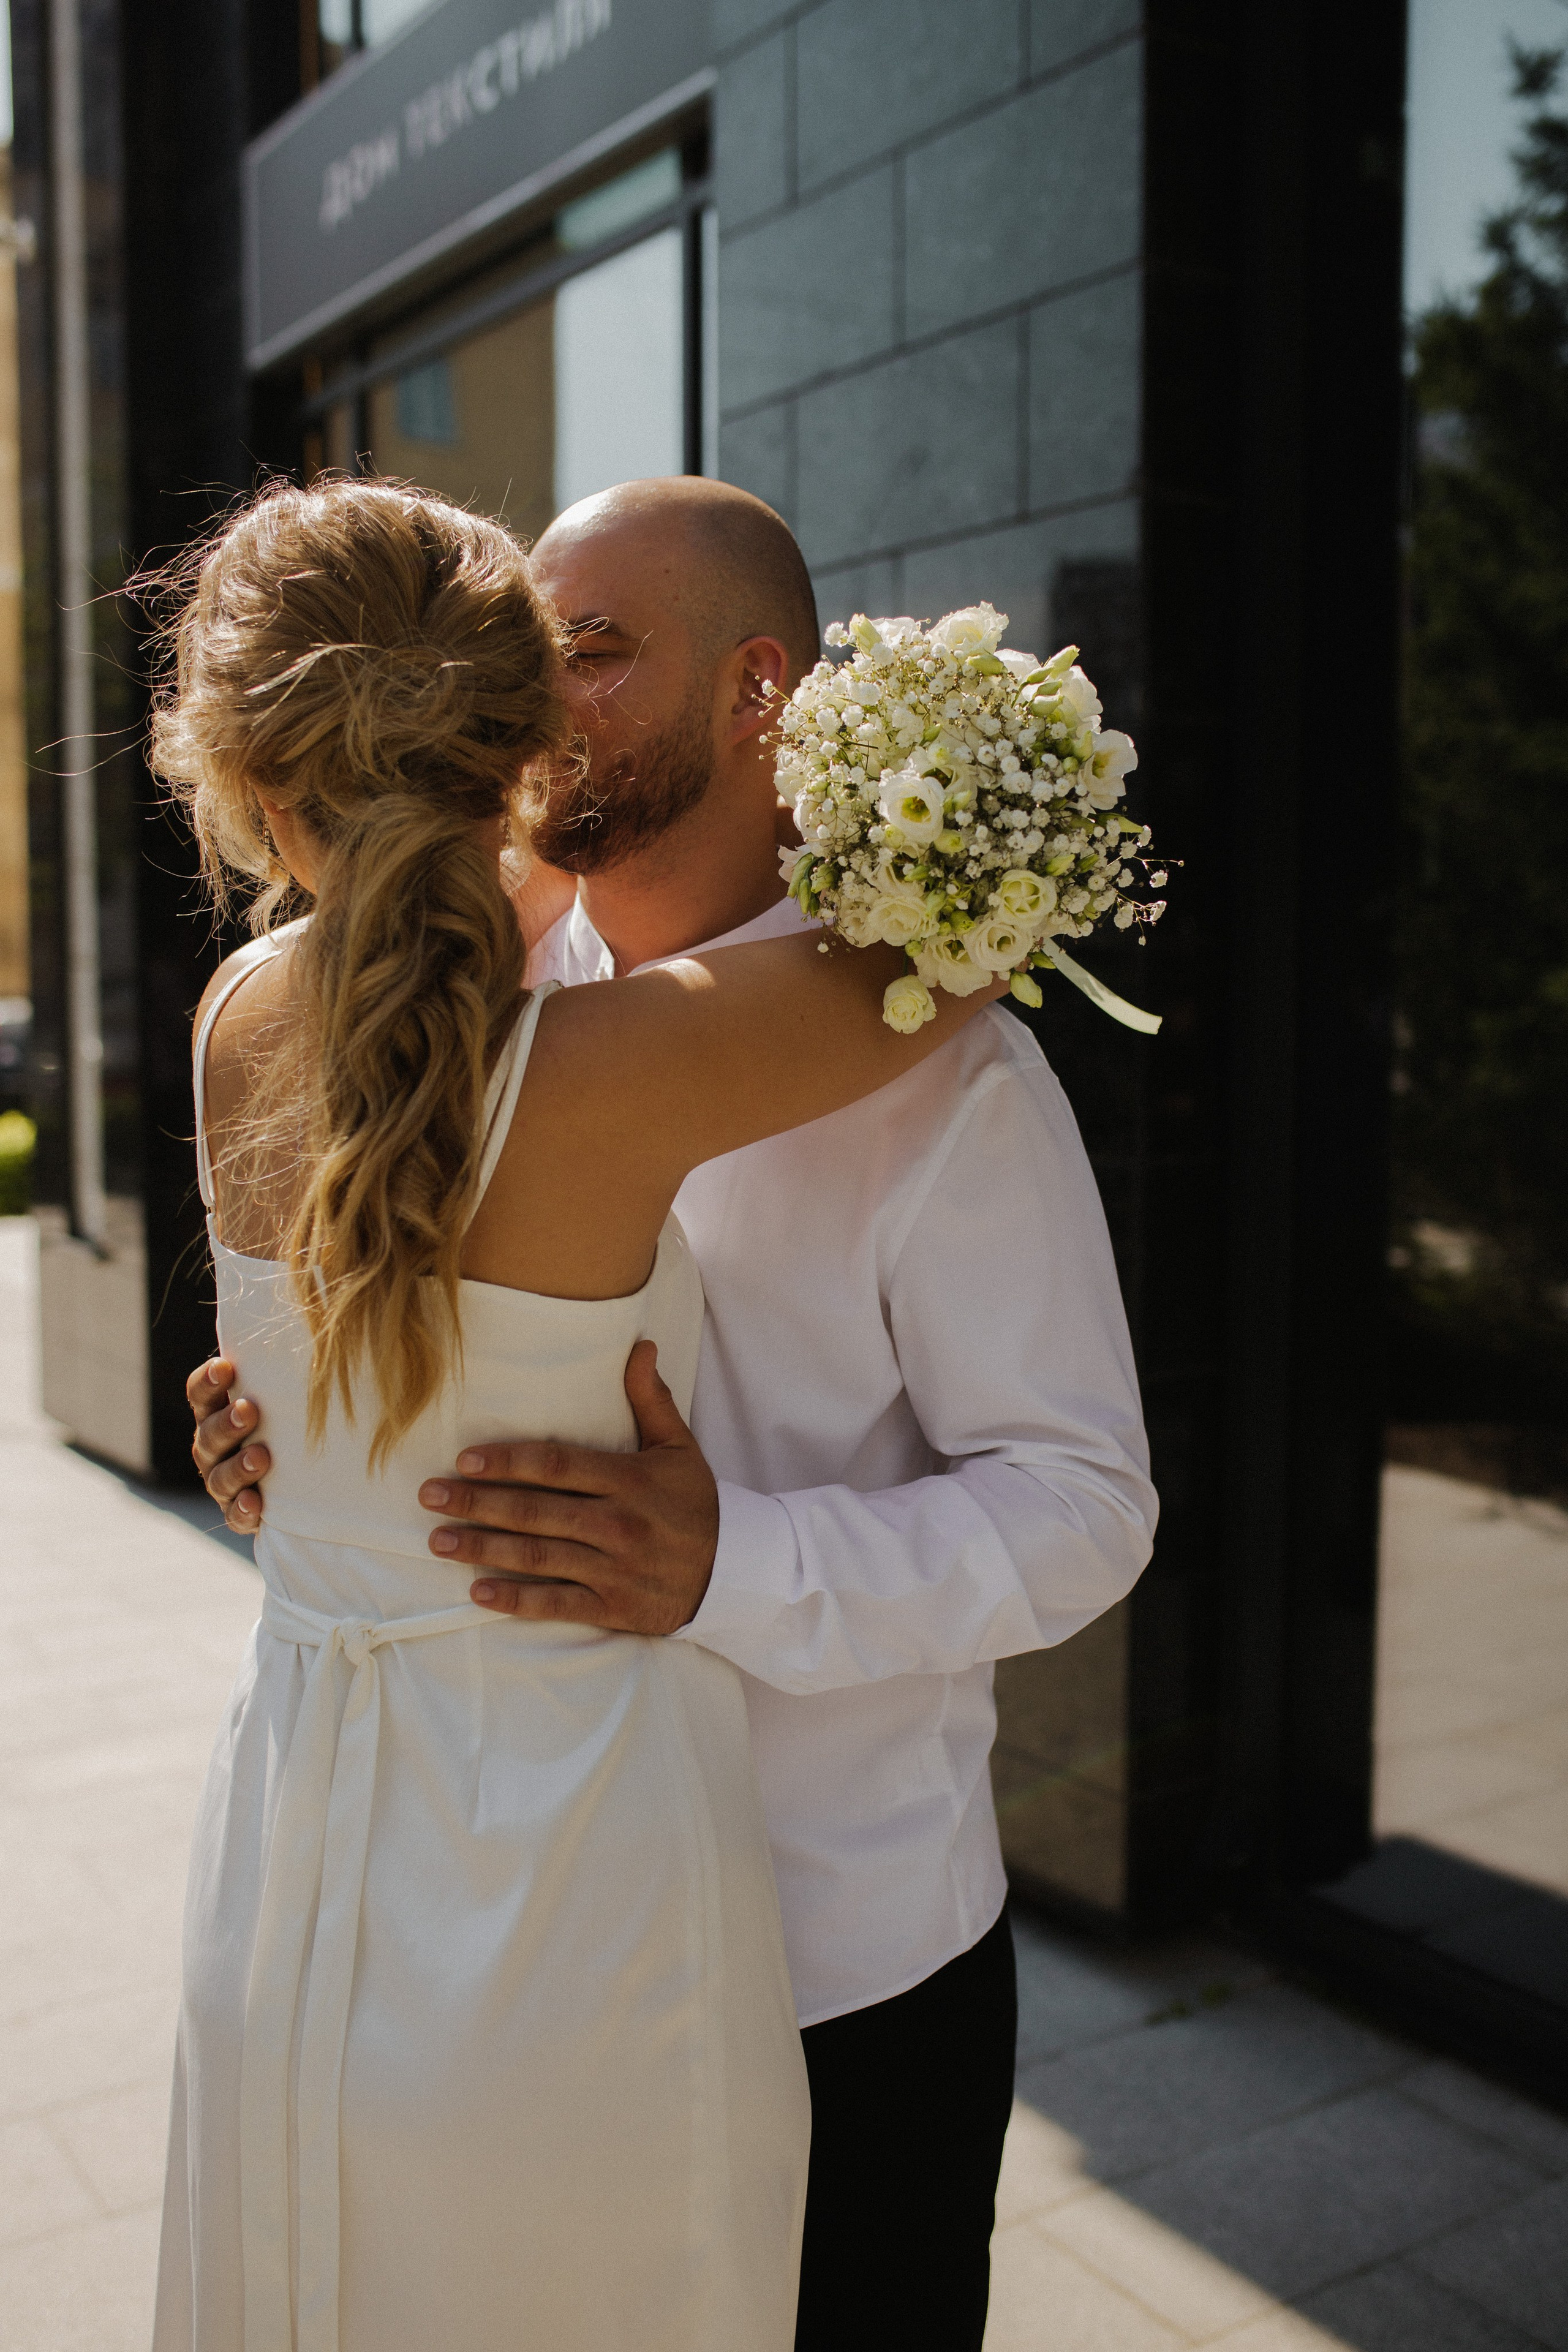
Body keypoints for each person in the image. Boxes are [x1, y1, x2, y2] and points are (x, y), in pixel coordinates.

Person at [192, 477, 1158, 2352]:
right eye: (523, 656)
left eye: (596, 655)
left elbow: (1084, 1505)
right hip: (493, 1965)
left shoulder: (956, 1083)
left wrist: (738, 1563)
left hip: (838, 1961)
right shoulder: (449, 997)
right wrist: (296, 1437)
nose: (543, 700)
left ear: (759, 690)